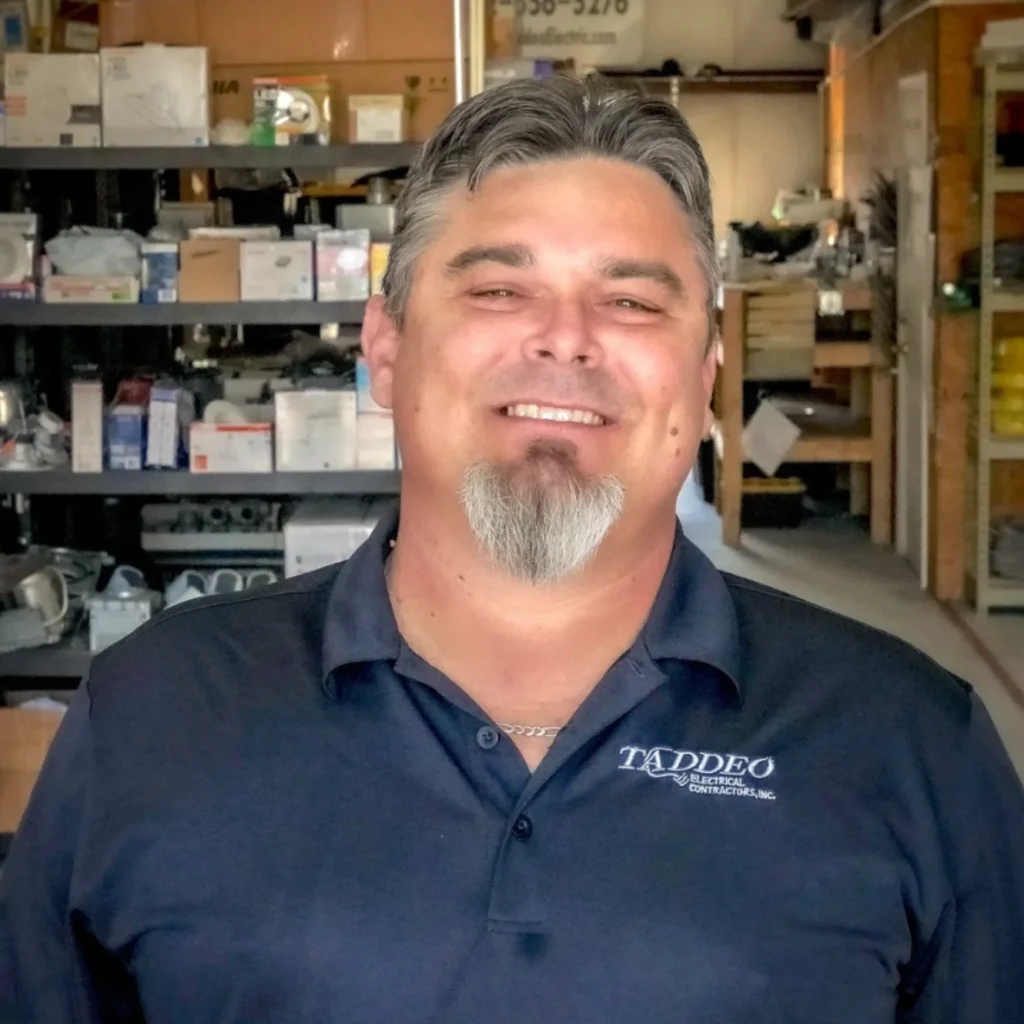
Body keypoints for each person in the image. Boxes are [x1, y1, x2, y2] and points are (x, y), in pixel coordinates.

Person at [1, 76, 1023, 1024]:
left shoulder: (913, 747)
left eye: (631, 301)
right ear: (385, 348)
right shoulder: (153, 715)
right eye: (498, 289)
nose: (565, 338)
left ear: (706, 371)